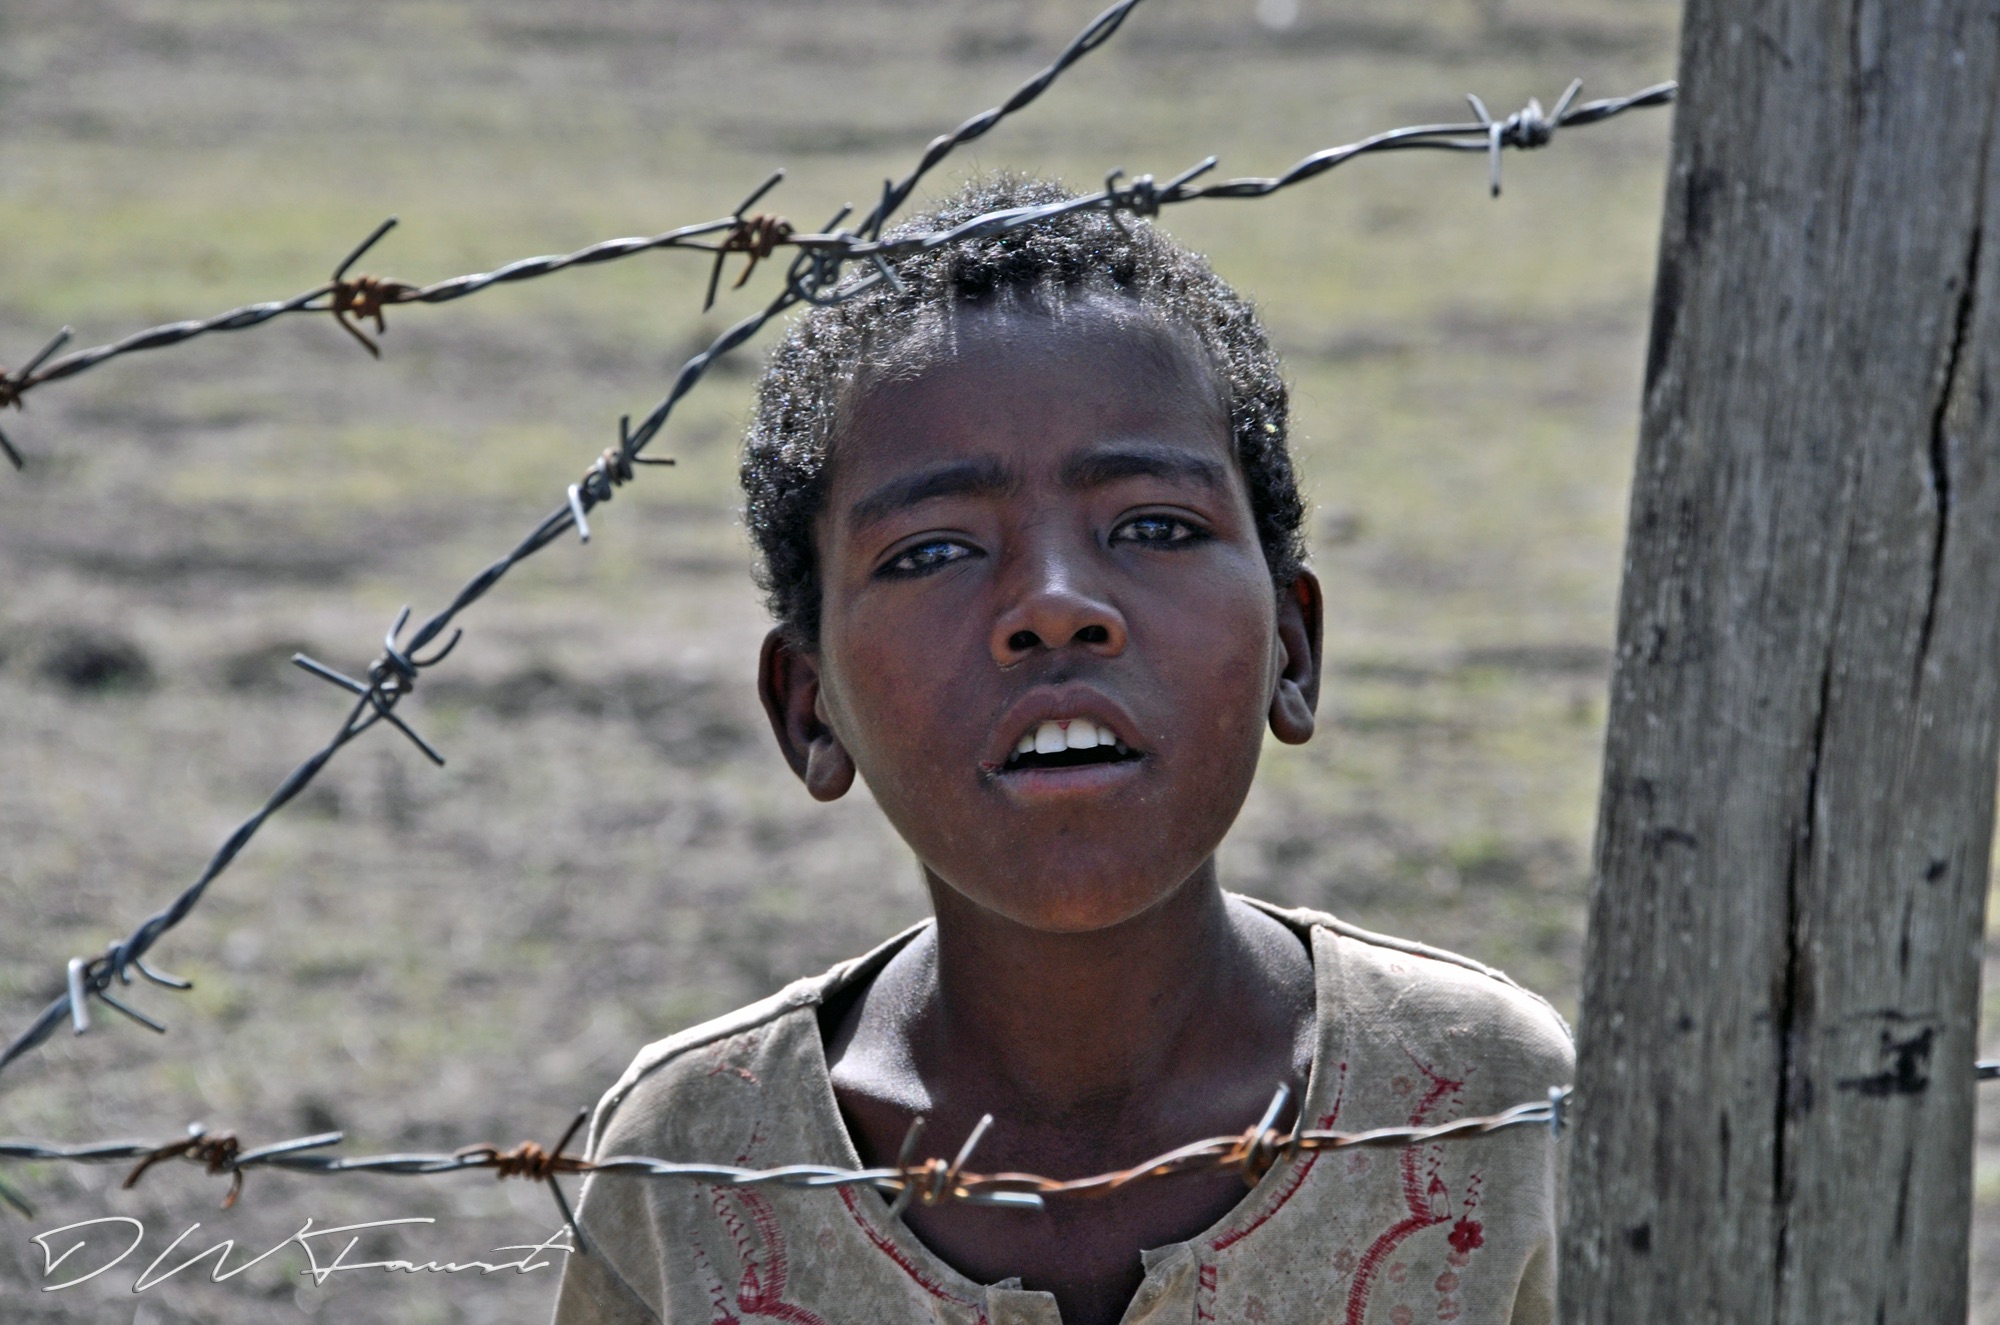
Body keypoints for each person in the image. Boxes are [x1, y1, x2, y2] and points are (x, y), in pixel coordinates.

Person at [551, 177, 1572, 1325]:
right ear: (808, 706)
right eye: (933, 550)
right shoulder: (690, 1162)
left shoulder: (1491, 1103)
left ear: (1291, 646)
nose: (1051, 604)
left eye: (1152, 527)